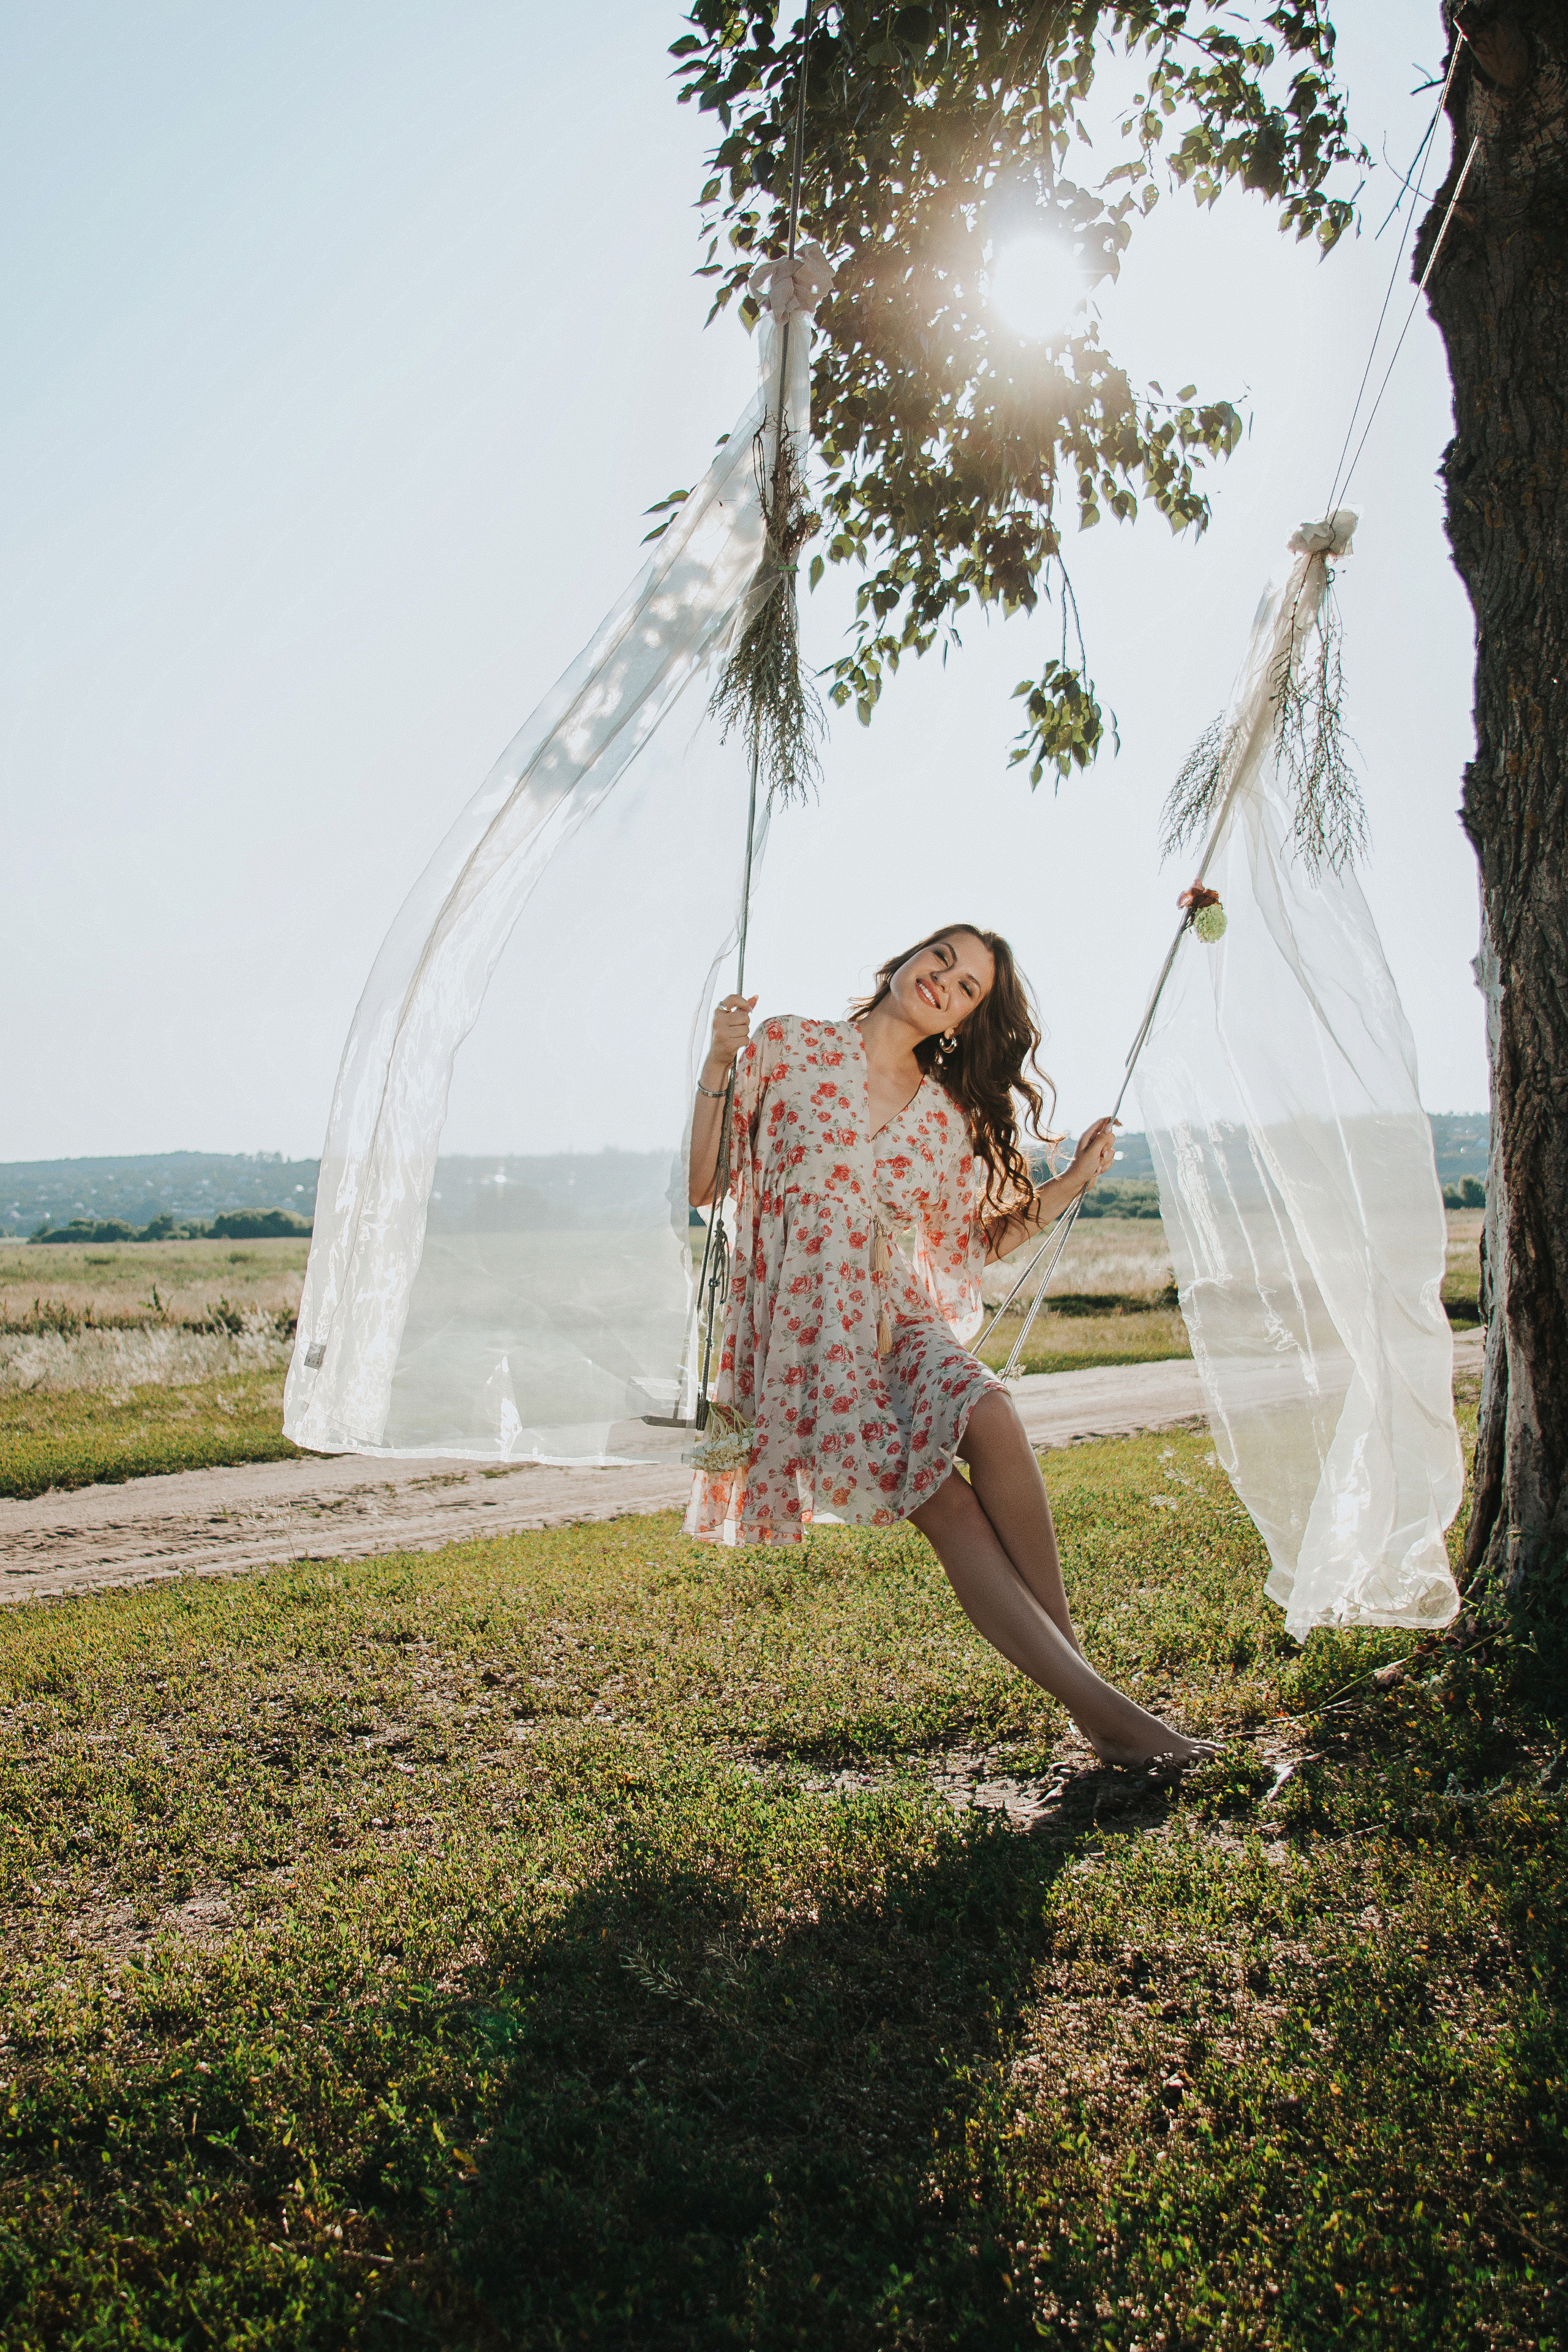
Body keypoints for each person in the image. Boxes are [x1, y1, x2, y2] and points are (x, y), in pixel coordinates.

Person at [685, 922, 1213, 1770]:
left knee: (993, 1411)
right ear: (904, 959)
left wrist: (1073, 1181)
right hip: (813, 1336)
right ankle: (1104, 1713)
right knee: (950, 1506)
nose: (947, 981)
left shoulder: (947, 1119)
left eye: (969, 986)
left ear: (965, 1022)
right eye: (943, 959)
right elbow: (707, 1186)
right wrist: (719, 1061)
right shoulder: (787, 1046)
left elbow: (971, 1245)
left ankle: (1092, 1700)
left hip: (900, 1321)